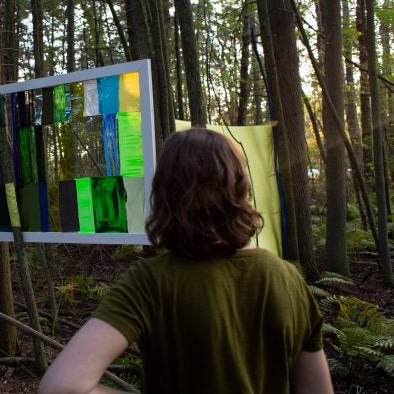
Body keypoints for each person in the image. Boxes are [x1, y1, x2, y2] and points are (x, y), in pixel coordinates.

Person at [38, 128, 333, 394]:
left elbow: (61, 387)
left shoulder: (151, 281)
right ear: (241, 189)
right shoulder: (287, 277)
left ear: (165, 195)